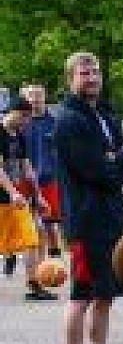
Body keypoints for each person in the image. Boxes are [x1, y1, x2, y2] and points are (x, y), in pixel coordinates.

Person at [53, 51, 123, 344]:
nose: (92, 77)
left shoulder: (105, 114)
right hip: (86, 221)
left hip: (111, 220)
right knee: (82, 294)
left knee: (106, 294)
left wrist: (118, 157)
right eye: (84, 72)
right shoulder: (70, 121)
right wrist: (117, 159)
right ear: (70, 79)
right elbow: (98, 172)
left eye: (96, 71)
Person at [0, 95, 51, 299]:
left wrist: (38, 196)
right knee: (7, 243)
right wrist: (12, 192)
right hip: (6, 197)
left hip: (16, 200)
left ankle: (34, 284)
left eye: (28, 117)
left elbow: (27, 168)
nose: (25, 121)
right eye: (22, 116)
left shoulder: (18, 135)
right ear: (11, 112)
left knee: (35, 235)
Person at [21, 83, 63, 259]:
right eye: (32, 95)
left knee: (49, 222)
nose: (35, 99)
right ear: (26, 98)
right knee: (28, 221)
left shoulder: (56, 120)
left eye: (39, 95)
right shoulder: (21, 122)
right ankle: (33, 261)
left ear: (45, 97)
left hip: (49, 178)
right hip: (24, 178)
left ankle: (54, 258)